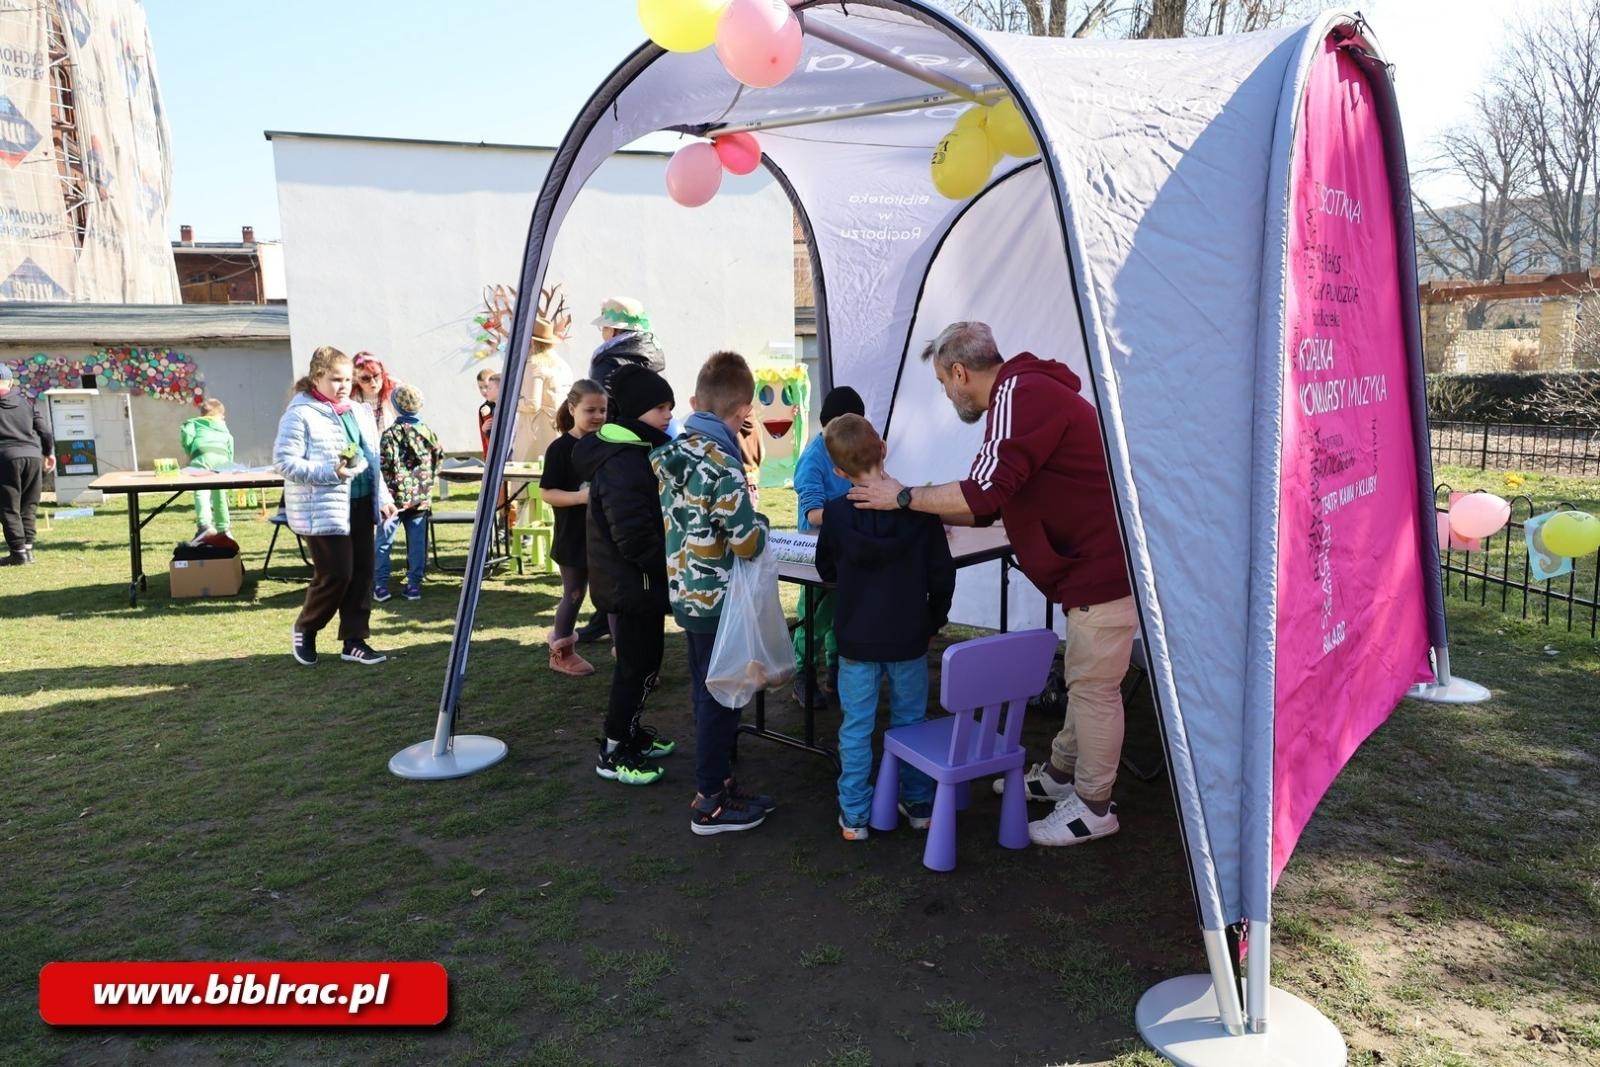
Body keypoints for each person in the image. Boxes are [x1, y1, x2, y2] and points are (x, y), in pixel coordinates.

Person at [848, 321, 1133, 847]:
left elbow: (983, 491)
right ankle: (1061, 774)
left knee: (1094, 688)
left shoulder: (1016, 395)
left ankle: (1094, 807)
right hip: (1097, 564)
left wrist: (904, 497)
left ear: (960, 372)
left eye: (942, 382)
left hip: (1100, 568)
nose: (946, 393)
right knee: (1083, 677)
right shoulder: (1031, 392)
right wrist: (942, 510)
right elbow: (1004, 493)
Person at [652, 351, 774, 836]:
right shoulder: (721, 461)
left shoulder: (677, 450)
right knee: (723, 696)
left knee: (709, 689)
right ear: (744, 409)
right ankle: (710, 804)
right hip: (720, 600)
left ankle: (718, 779)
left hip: (686, 593)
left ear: (696, 399)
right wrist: (761, 523)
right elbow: (744, 540)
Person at [816, 413, 953, 841]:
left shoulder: (836, 516)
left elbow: (825, 569)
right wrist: (934, 620)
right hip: (910, 635)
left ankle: (854, 815)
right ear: (884, 448)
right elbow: (942, 575)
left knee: (856, 726)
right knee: (911, 722)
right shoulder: (921, 510)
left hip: (857, 639)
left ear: (838, 472)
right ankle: (918, 804)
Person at [571, 363, 678, 785]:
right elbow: (632, 535)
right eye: (659, 407)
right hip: (632, 582)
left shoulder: (634, 452)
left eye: (669, 406)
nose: (668, 415)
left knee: (647, 661)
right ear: (636, 412)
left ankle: (630, 733)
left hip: (640, 581)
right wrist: (666, 564)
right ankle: (614, 748)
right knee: (635, 666)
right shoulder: (623, 461)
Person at [274, 345, 397, 667]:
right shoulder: (300, 412)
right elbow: (285, 463)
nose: (343, 386)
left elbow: (371, 461)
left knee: (362, 574)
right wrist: (331, 472)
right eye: (335, 379)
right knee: (336, 575)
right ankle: (307, 627)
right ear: (317, 377)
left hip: (358, 504)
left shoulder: (359, 411)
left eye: (347, 379)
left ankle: (354, 641)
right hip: (322, 507)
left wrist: (382, 497)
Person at [790, 385, 865, 707]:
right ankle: (803, 674)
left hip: (845, 552)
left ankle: (836, 673)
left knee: (841, 614)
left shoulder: (849, 450)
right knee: (814, 620)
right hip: (816, 556)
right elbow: (813, 514)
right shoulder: (813, 459)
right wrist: (852, 510)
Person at [540, 379, 607, 677]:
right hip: (573, 538)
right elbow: (547, 492)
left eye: (602, 410)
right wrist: (581, 497)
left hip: (606, 536)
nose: (597, 416)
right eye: (590, 409)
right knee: (575, 593)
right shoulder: (559, 449)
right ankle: (561, 653)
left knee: (612, 595)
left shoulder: (608, 443)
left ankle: (629, 655)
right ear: (572, 408)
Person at [376, 383, 442, 603]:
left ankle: (381, 585)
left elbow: (383, 465)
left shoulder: (390, 434)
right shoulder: (428, 433)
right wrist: (427, 485)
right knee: (416, 544)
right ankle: (414, 585)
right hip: (419, 499)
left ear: (395, 406)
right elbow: (437, 460)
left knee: (384, 541)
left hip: (392, 499)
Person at [512, 287, 577, 465]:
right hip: (561, 425)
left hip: (537, 430)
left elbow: (532, 404)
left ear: (531, 341)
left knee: (530, 475)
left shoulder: (534, 365)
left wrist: (510, 402)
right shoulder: (561, 364)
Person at [0, 364, 53, 566]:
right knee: (28, 506)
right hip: (32, 457)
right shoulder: (27, 403)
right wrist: (48, 453)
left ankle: (18, 553)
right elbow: (45, 432)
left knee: (8, 507)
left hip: (5, 458)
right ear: (11, 382)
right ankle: (28, 550)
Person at [587, 297, 666, 405]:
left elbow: (602, 407)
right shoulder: (653, 353)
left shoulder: (608, 364)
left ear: (615, 330)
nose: (602, 333)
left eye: (605, 327)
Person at [179, 398, 235, 541]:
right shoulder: (222, 425)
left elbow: (186, 436)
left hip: (202, 455)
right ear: (221, 415)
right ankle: (224, 528)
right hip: (221, 458)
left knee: (201, 491)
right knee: (220, 493)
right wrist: (229, 462)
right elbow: (230, 442)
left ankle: (204, 525)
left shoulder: (194, 423)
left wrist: (190, 452)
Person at [351, 352, 399, 436]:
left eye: (376, 375)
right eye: (365, 378)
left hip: (391, 443)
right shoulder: (351, 396)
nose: (373, 382)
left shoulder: (394, 390)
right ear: (356, 379)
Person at [476, 367, 500, 456]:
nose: (484, 391)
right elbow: (484, 436)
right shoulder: (483, 408)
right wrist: (484, 429)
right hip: (490, 453)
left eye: (487, 387)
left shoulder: (504, 406)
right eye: (480, 387)